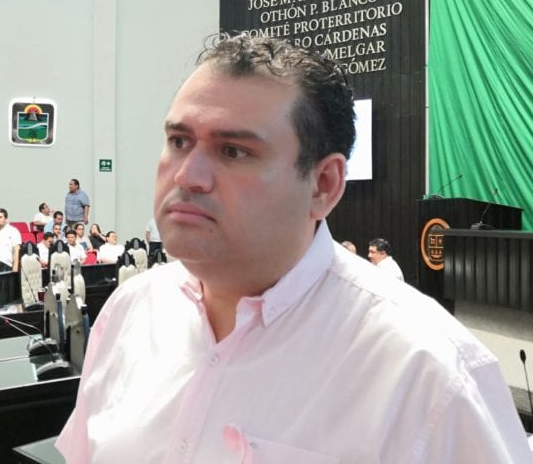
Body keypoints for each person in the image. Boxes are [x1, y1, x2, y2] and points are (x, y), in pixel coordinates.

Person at [55, 34, 530, 462]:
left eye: (233, 151)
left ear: (324, 185)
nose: (186, 175)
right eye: (179, 141)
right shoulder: (130, 313)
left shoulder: (429, 375)